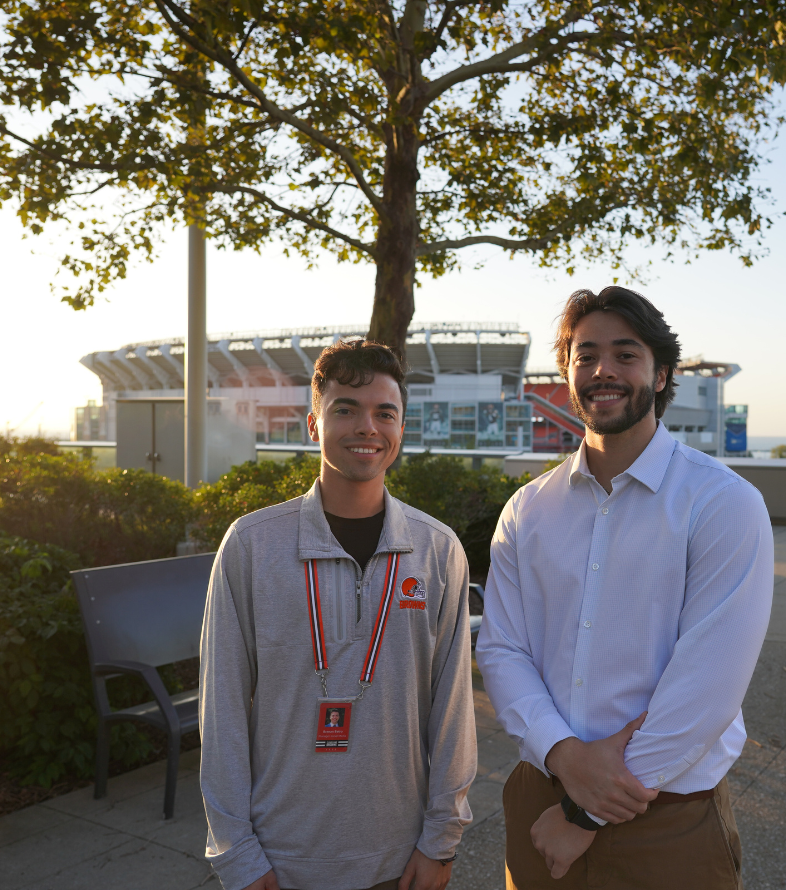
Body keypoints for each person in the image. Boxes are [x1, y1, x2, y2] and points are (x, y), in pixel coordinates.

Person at [475, 287, 773, 890]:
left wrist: (586, 812)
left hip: (666, 825)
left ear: (661, 373)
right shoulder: (528, 511)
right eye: (586, 356)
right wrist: (562, 754)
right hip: (540, 801)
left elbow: (708, 684)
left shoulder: (721, 503)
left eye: (625, 354)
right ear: (567, 372)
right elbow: (503, 650)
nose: (603, 370)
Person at [200, 338, 476, 890]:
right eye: (344, 409)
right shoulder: (252, 546)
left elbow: (453, 708)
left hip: (399, 857)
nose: (366, 427)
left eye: (385, 413)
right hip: (281, 857)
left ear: (401, 427)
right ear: (313, 423)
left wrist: (442, 839)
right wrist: (237, 853)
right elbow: (222, 707)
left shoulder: (436, 549)